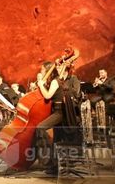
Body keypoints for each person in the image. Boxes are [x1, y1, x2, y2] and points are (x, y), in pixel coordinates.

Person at [34, 48, 80, 176]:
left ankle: (48, 162)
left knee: (40, 128)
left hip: (60, 113)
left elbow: (48, 96)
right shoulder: (54, 81)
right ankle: (54, 166)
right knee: (55, 140)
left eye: (42, 70)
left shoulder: (55, 81)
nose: (42, 72)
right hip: (57, 111)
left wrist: (41, 84)